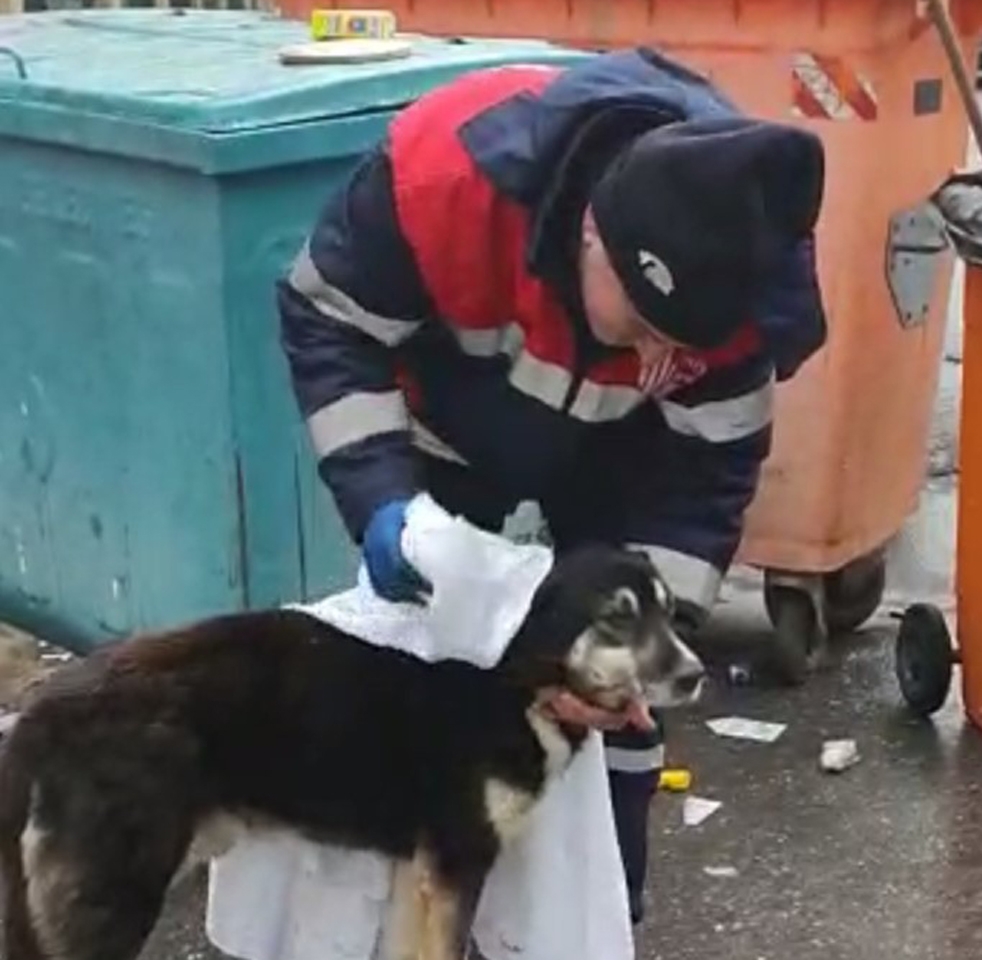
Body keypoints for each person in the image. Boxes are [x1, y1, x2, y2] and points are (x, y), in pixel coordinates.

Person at [279, 45, 827, 926]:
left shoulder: (739, 263)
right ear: (592, 236)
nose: (658, 361)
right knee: (435, 678)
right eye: (646, 326)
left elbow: (705, 479)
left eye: (681, 350)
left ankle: (597, 915)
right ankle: (428, 914)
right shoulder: (444, 177)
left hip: (624, 458)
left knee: (619, 710)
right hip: (446, 425)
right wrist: (381, 497)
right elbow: (328, 316)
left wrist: (657, 628)